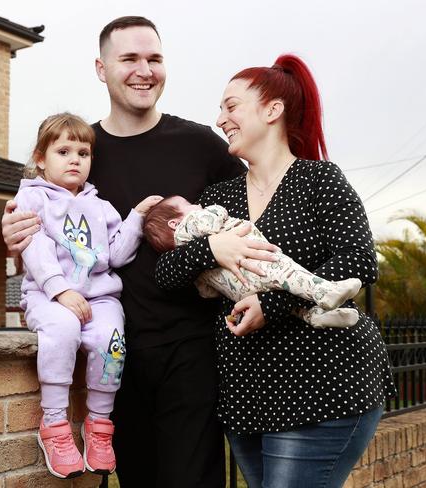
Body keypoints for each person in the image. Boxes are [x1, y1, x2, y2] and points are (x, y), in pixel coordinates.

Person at [1, 17, 270, 488]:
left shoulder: (200, 145)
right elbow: (42, 235)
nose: (144, 70)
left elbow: (254, 217)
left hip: (192, 348)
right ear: (102, 68)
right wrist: (14, 233)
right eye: (129, 59)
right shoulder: (81, 149)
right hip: (113, 348)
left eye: (154, 59)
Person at [154, 55, 396, 488]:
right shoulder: (218, 196)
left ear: (272, 110)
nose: (220, 119)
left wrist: (273, 302)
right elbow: (167, 272)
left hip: (323, 385)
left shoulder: (319, 180)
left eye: (231, 106)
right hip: (248, 396)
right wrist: (212, 247)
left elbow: (358, 261)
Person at [14, 112, 161, 479]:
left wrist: (138, 218)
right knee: (62, 331)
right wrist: (60, 289)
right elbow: (34, 247)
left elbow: (115, 254)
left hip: (99, 298)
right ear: (41, 158)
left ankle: (98, 426)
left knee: (112, 342)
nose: (75, 159)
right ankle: (54, 426)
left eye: (83, 152)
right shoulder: (31, 199)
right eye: (63, 151)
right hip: (48, 297)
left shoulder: (99, 205)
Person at [143, 196, 362, 328]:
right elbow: (211, 221)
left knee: (291, 304)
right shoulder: (190, 225)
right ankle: (323, 291)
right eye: (189, 204)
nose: (198, 204)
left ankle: (314, 316)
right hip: (254, 266)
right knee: (286, 272)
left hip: (242, 293)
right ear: (174, 223)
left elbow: (206, 292)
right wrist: (215, 211)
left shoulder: (191, 260)